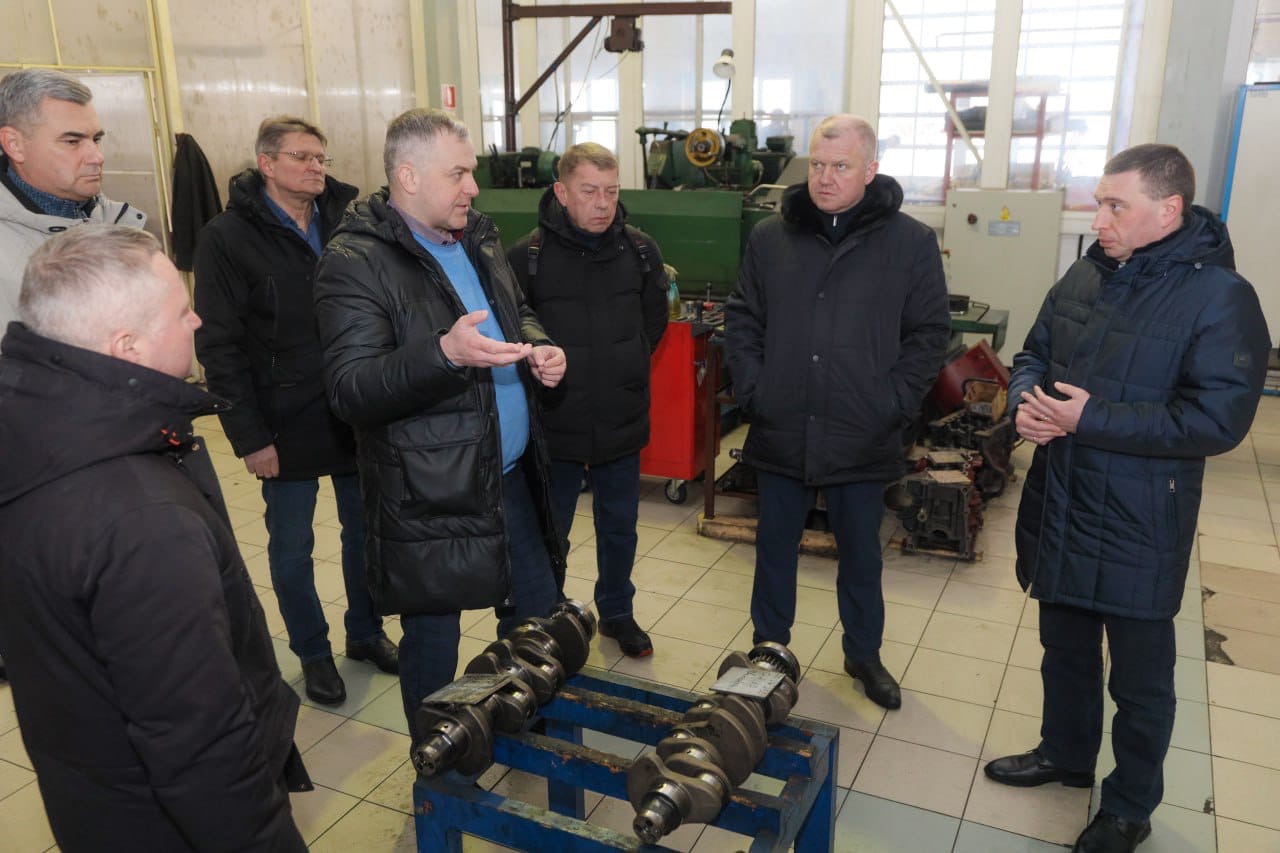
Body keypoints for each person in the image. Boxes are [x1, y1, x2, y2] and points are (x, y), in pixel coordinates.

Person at [983, 144, 1269, 853]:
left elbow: (1217, 421)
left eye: (1116, 206)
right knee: (1064, 649)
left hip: (1141, 517)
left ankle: (1129, 806)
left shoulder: (1220, 297)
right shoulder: (1087, 273)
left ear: (1168, 211)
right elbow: (1032, 354)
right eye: (1098, 203)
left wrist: (1091, 418)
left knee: (1141, 683)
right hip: (1063, 498)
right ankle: (1065, 753)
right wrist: (1026, 403)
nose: (1098, 219)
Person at [0, 225, 306, 852]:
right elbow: (200, 741)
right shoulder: (143, 520)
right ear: (128, 346)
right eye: (180, 310)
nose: (197, 321)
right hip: (161, 824)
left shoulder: (30, 425)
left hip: (89, 792)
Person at [314, 108, 567, 740]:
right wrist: (444, 354)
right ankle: (439, 767)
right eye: (458, 174)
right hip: (427, 492)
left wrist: (536, 346)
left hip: (508, 477)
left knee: (536, 622)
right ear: (408, 176)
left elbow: (514, 310)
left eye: (471, 171)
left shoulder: (477, 236)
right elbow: (350, 390)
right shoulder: (355, 260)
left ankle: (522, 731)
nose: (473, 187)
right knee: (433, 644)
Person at [724, 114, 950, 711]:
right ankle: (769, 649)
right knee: (774, 548)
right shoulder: (771, 238)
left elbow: (929, 333)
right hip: (783, 422)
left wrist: (893, 404)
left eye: (841, 166)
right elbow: (743, 317)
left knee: (861, 554)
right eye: (818, 165)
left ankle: (864, 654)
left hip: (862, 428)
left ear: (870, 169)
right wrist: (755, 390)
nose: (825, 178)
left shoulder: (910, 243)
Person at [194, 116, 396, 707]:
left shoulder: (347, 220)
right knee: (292, 548)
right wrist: (249, 436)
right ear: (267, 163)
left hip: (354, 407)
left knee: (367, 535)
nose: (316, 167)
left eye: (320, 157)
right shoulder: (227, 238)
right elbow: (219, 345)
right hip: (282, 418)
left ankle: (365, 633)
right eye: (302, 157)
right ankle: (312, 652)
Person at [507, 142, 668, 658]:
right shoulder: (526, 257)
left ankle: (617, 611)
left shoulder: (640, 251)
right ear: (561, 191)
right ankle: (551, 614)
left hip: (622, 417)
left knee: (620, 527)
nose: (603, 203)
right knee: (551, 530)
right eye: (590, 191)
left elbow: (654, 322)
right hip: (555, 422)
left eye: (611, 192)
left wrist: (624, 366)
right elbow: (514, 330)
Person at [0, 68, 146, 327]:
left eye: (96, 139)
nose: (97, 157)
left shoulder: (122, 226)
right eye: (72, 141)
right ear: (14, 145)